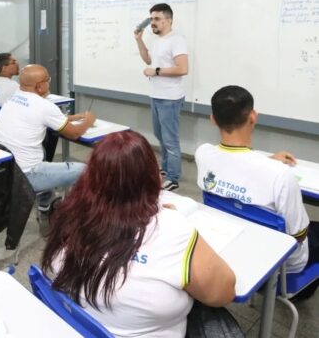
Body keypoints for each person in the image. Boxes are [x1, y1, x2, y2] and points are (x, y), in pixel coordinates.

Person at [42, 130, 236, 337]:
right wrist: (166, 220)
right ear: (153, 178)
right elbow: (223, 293)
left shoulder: (69, 214)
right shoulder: (173, 228)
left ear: (90, 176)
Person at [195, 85, 318, 299]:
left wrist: (266, 161)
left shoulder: (202, 154)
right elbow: (298, 235)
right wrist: (268, 165)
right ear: (253, 117)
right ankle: (301, 293)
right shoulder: (281, 176)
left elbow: (232, 162)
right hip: (278, 264)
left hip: (229, 243)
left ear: (213, 119)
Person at [0, 64, 95, 213]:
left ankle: (45, 205)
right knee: (85, 170)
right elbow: (74, 134)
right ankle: (72, 214)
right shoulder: (44, 106)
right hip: (27, 173)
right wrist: (88, 121)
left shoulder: (13, 98)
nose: (49, 83)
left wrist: (73, 117)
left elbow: (40, 117)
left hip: (5, 169)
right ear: (40, 86)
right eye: (48, 80)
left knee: (43, 154)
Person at [134, 3, 188, 191]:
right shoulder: (158, 40)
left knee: (170, 139)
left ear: (168, 20)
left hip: (170, 98)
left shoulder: (177, 40)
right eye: (151, 18)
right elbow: (148, 59)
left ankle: (173, 177)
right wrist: (139, 40)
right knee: (160, 135)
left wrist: (155, 71)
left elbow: (183, 68)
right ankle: (166, 169)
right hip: (156, 95)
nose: (152, 23)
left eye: (156, 19)